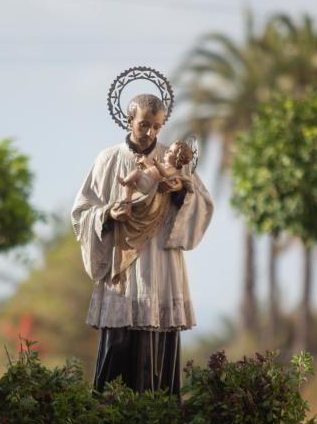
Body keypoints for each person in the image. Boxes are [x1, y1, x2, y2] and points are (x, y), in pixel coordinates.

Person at [71, 91, 213, 394]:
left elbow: (202, 203)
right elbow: (81, 212)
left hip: (161, 261)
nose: (150, 132)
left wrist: (180, 191)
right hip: (123, 263)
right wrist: (109, 212)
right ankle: (111, 422)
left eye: (157, 126)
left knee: (159, 347)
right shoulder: (108, 159)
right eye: (144, 125)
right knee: (119, 343)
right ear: (129, 120)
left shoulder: (173, 158)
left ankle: (161, 422)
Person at [111, 140, 194, 286]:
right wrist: (147, 162)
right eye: (168, 150)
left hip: (157, 224)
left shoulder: (173, 171)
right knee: (131, 182)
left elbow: (167, 177)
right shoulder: (110, 156)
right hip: (144, 190)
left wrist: (178, 187)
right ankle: (127, 202)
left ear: (178, 159)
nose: (167, 152)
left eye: (171, 152)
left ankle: (127, 195)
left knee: (135, 177)